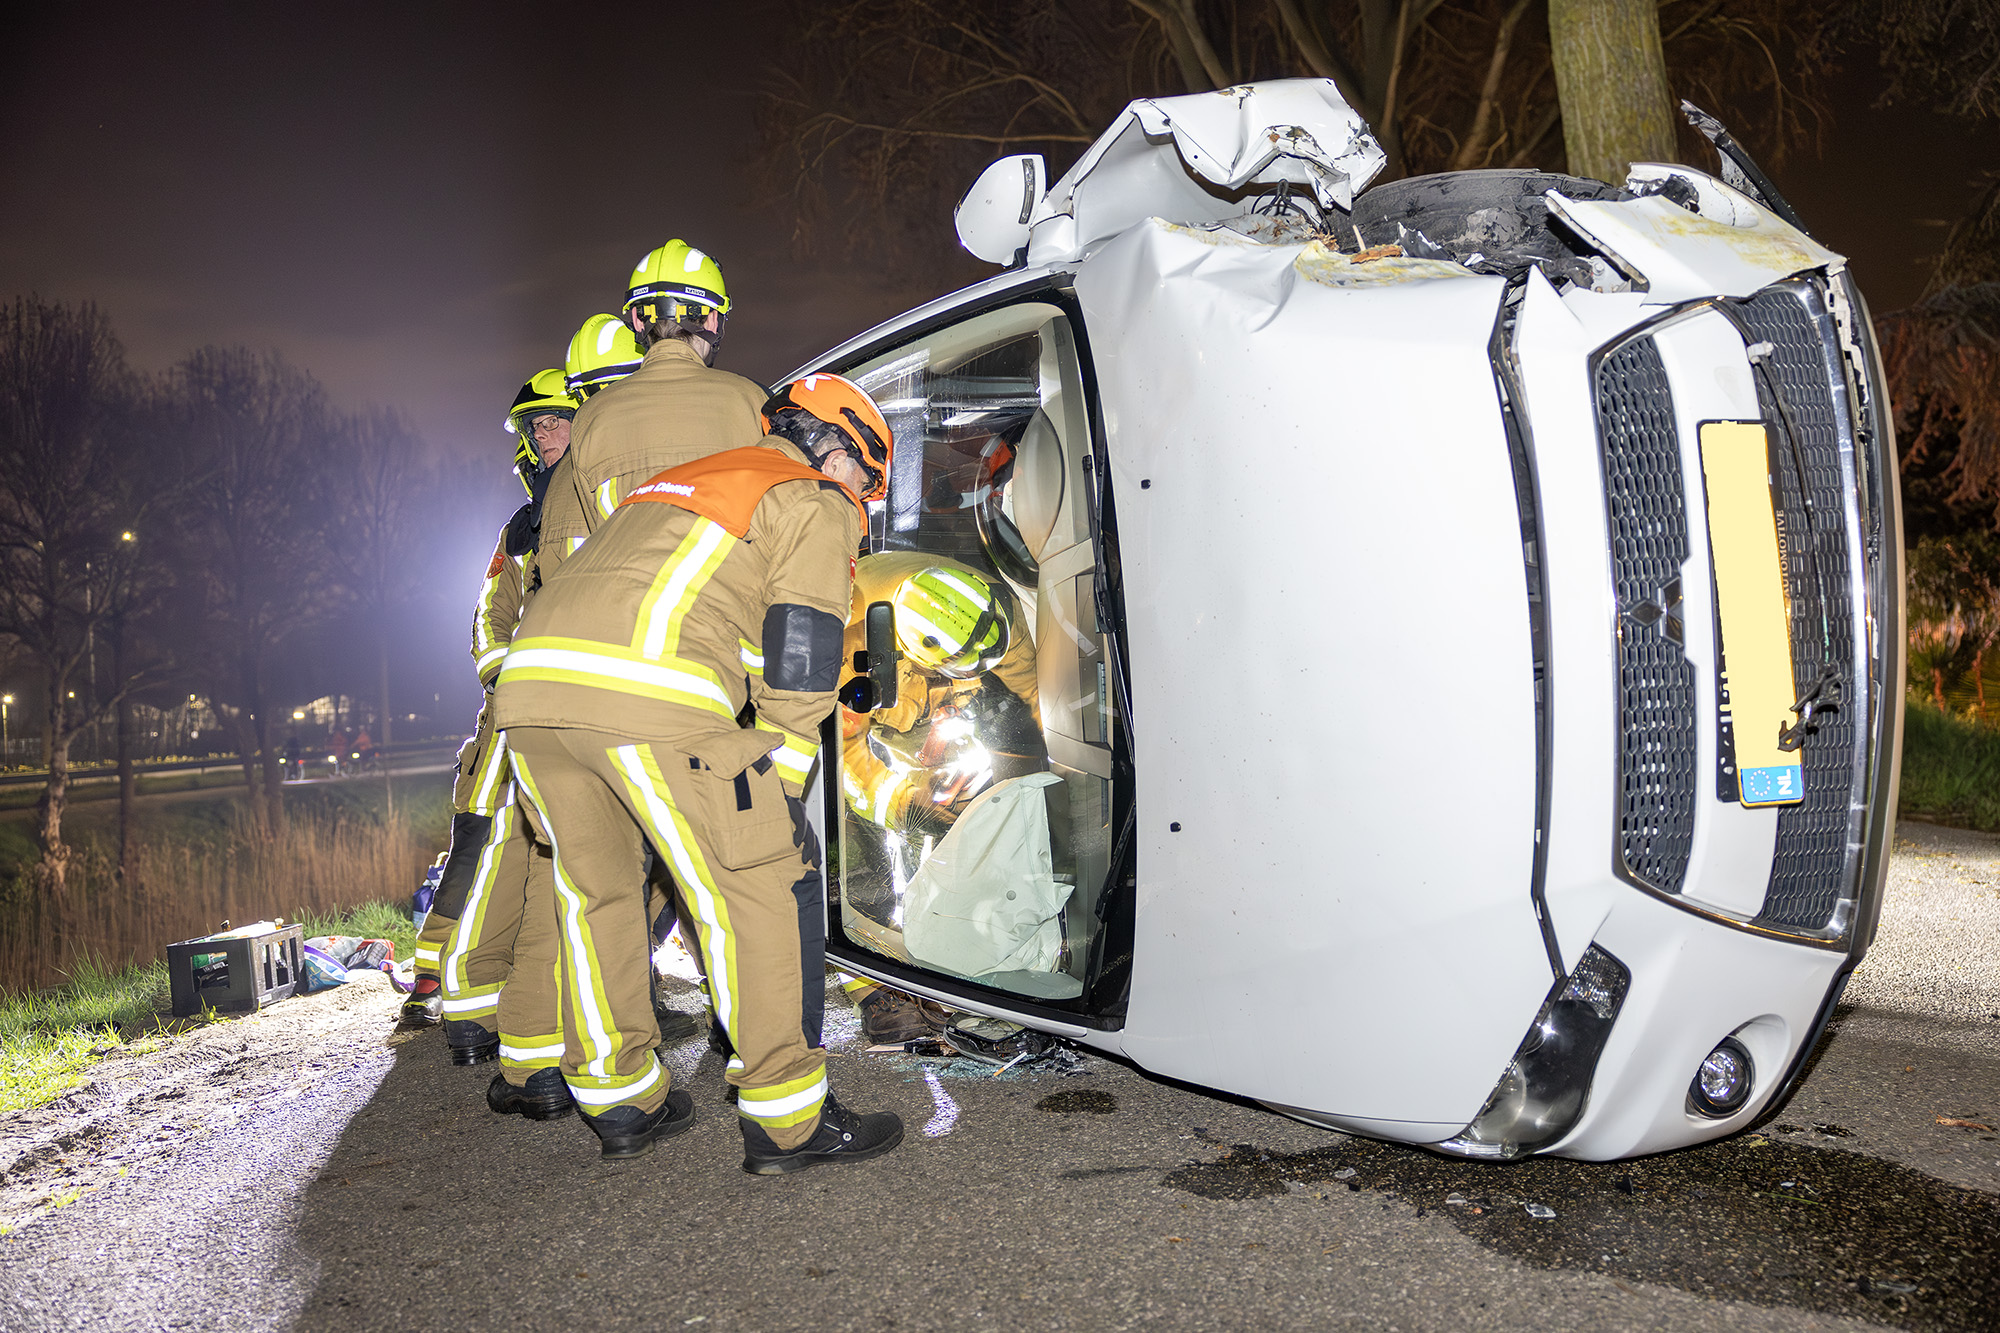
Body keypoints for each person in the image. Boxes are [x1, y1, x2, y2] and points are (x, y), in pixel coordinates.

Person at [492, 373, 905, 1170]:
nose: (866, 502)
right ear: (835, 445)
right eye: (868, 477)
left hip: (534, 691)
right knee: (755, 885)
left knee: (595, 895)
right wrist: (777, 788)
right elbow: (801, 652)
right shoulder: (810, 495)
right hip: (647, 689)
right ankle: (788, 1118)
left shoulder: (682, 484)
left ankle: (621, 1101)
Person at [399, 370, 574, 1055]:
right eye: (536, 427)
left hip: (580, 716)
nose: (544, 435)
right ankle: (430, 977)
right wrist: (509, 676)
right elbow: (487, 618)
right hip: (508, 724)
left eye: (556, 421)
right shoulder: (520, 528)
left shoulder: (603, 507)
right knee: (475, 840)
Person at [834, 557, 1044, 1041]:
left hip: (925, 714)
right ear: (906, 649)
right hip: (859, 727)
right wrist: (906, 803)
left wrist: (1028, 782)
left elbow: (1030, 697)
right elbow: (844, 756)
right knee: (852, 849)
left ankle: (951, 949)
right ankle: (873, 985)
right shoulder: (845, 644)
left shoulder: (991, 615)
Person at [544, 240, 767, 573]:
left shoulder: (590, 418)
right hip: (729, 614)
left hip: (624, 613)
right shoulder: (754, 402)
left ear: (636, 320)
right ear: (712, 321)